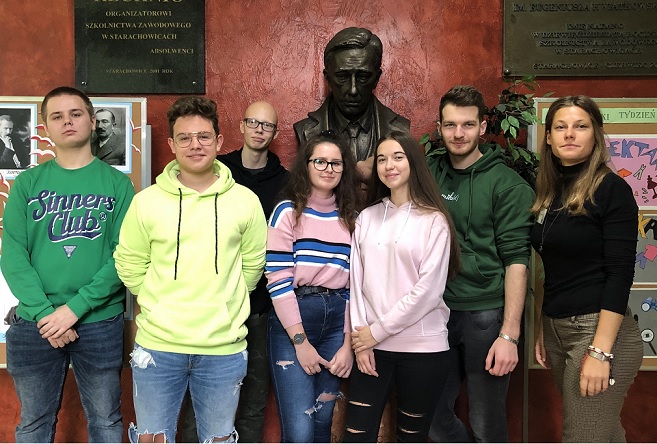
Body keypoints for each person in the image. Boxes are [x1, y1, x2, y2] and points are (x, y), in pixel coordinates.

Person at [114, 96, 267, 443]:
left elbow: (253, 265)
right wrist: (159, 300)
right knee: (153, 439)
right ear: (171, 144)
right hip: (158, 347)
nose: (194, 145)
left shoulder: (245, 201)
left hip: (222, 350)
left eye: (203, 136)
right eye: (184, 137)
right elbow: (129, 263)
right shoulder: (146, 202)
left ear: (219, 141)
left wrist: (224, 302)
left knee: (217, 439)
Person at [1, 86, 134, 442]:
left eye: (75, 114)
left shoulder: (118, 185)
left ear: (91, 121)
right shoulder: (27, 183)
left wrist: (73, 310)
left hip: (99, 320)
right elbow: (12, 254)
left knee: (106, 421)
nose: (67, 122)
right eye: (57, 116)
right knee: (33, 424)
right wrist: (48, 314)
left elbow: (123, 256)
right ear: (46, 128)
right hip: (36, 322)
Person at [426, 85, 535, 442]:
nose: (458, 133)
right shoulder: (428, 172)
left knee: (486, 420)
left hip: (485, 315)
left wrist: (509, 334)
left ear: (483, 127)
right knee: (430, 418)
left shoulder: (507, 185)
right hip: (435, 312)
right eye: (450, 125)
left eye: (468, 124)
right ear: (439, 127)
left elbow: (517, 261)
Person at [531, 95, 642, 442]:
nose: (569, 134)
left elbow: (620, 275)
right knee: (602, 433)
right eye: (560, 127)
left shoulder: (612, 190)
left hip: (597, 333)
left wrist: (600, 351)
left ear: (596, 135)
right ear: (549, 137)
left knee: (582, 437)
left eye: (580, 126)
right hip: (557, 329)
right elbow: (554, 265)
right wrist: (544, 325)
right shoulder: (551, 190)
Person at [180, 101, 288, 443]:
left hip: (260, 306)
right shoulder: (216, 170)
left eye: (266, 125)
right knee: (201, 395)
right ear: (240, 126)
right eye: (253, 122)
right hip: (211, 306)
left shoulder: (285, 182)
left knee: (254, 394)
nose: (259, 129)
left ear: (274, 132)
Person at [343, 131, 460, 442]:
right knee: (356, 435)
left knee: (411, 437)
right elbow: (356, 283)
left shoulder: (434, 220)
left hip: (422, 349)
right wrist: (362, 340)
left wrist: (376, 332)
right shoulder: (367, 218)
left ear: (413, 163)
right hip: (371, 347)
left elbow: (428, 292)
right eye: (382, 159)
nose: (389, 165)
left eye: (398, 157)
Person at [266, 131, 359, 442]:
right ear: (306, 165)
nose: (328, 168)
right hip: (295, 319)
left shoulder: (352, 217)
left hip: (337, 324)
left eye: (336, 163)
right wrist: (300, 342)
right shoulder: (287, 212)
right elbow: (278, 280)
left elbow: (355, 286)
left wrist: (347, 345)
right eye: (320, 161)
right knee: (300, 430)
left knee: (322, 421)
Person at [293, 27, 410, 186]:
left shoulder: (399, 128)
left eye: (363, 77)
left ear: (376, 78)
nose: (353, 90)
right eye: (343, 77)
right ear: (328, 79)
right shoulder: (306, 130)